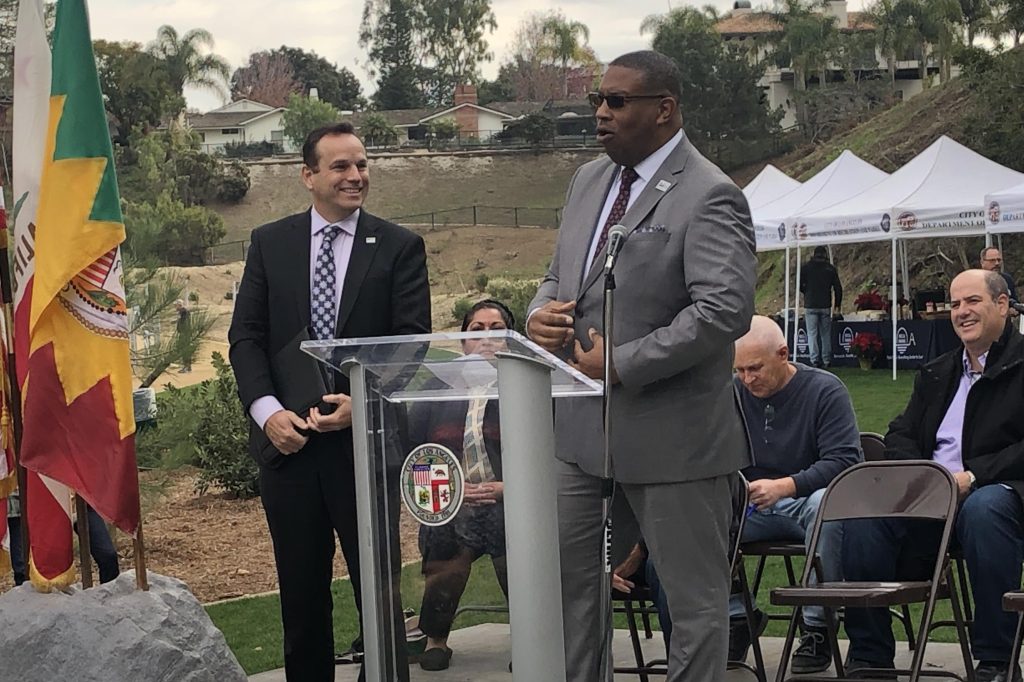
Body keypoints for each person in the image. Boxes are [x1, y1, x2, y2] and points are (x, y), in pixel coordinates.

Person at [527, 50, 756, 682]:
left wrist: (622, 364)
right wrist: (539, 313)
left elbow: (724, 311)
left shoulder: (711, 194)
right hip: (577, 436)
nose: (601, 112)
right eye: (599, 100)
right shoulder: (587, 181)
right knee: (571, 597)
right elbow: (560, 275)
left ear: (664, 109)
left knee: (692, 608)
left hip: (674, 442)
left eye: (617, 101)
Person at [228, 121, 431, 682]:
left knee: (379, 598)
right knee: (302, 602)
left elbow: (410, 346)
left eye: (362, 164)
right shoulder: (270, 243)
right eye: (340, 166)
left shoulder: (398, 247)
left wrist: (362, 404)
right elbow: (246, 338)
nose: (356, 176)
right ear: (308, 176)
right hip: (287, 451)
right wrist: (268, 415)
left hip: (361, 453)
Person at [843, 269, 1024, 682]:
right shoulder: (938, 371)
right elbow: (900, 431)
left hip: (1002, 498)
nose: (961, 312)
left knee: (985, 507)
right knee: (862, 516)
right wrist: (925, 476)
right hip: (930, 500)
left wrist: (974, 475)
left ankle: (997, 660)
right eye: (955, 304)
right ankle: (871, 658)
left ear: (1002, 305)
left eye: (972, 301)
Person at [728, 315, 861, 672]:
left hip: (806, 497)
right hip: (750, 504)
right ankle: (737, 615)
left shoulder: (825, 390)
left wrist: (787, 485)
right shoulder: (732, 391)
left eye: (754, 368)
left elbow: (847, 460)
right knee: (703, 507)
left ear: (783, 354)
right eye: (739, 370)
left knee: (826, 505)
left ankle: (818, 626)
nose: (746, 379)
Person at [408, 299, 514, 672]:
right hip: (453, 503)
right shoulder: (436, 389)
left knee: (512, 536)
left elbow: (546, 452)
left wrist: (506, 488)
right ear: (463, 342)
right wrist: (449, 489)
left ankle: (533, 636)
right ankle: (436, 638)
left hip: (510, 501)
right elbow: (415, 454)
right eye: (477, 330)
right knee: (443, 538)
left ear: (511, 340)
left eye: (497, 328)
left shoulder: (527, 387)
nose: (487, 337)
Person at [7, 491, 120, 585]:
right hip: (39, 500)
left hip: (80, 499)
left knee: (108, 556)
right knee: (25, 569)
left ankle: (110, 602)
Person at [800, 245, 843, 368]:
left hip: (810, 304)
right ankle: (826, 360)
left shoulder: (806, 267)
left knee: (812, 333)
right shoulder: (830, 268)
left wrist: (806, 292)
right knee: (825, 334)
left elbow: (799, 284)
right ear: (825, 255)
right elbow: (838, 288)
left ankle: (814, 360)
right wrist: (837, 305)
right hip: (825, 304)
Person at [174, 299, 193, 373]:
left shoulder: (183, 312)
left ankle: (186, 366)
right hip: (185, 333)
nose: (175, 307)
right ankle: (188, 366)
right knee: (186, 349)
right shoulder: (184, 312)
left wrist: (182, 331)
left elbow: (184, 323)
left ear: (179, 305)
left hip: (185, 333)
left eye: (176, 305)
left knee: (184, 350)